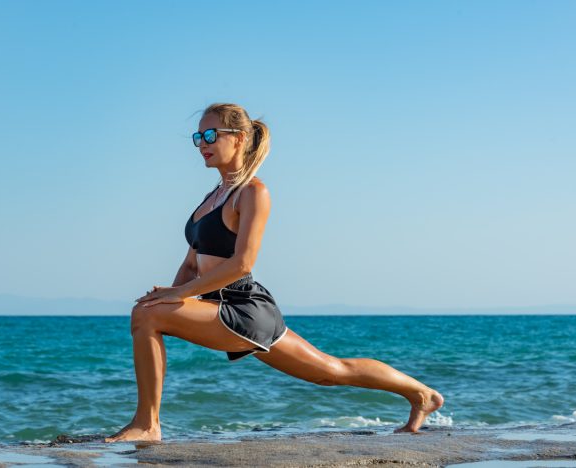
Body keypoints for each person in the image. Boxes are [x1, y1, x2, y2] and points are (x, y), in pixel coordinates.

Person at [105, 103, 444, 443]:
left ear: (238, 138)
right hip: (221, 305)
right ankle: (421, 395)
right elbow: (191, 263)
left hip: (242, 308)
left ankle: (148, 426)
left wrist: (177, 298)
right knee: (330, 371)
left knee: (146, 316)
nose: (202, 144)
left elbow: (242, 263)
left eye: (210, 135)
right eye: (197, 137)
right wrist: (171, 292)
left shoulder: (252, 192)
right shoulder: (211, 198)